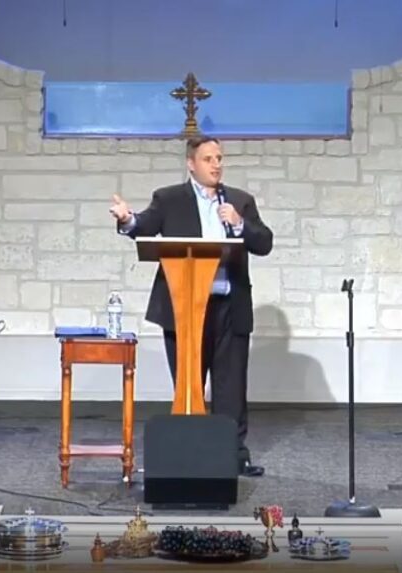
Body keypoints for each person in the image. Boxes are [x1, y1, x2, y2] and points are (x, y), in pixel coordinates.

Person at [109, 135, 274, 477]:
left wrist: (240, 225)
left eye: (219, 158)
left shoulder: (239, 201)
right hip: (184, 310)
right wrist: (127, 220)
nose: (217, 164)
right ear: (191, 164)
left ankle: (233, 454)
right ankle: (191, 453)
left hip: (229, 306)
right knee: (189, 383)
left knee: (231, 387)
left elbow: (264, 242)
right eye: (209, 159)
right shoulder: (170, 199)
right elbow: (145, 226)